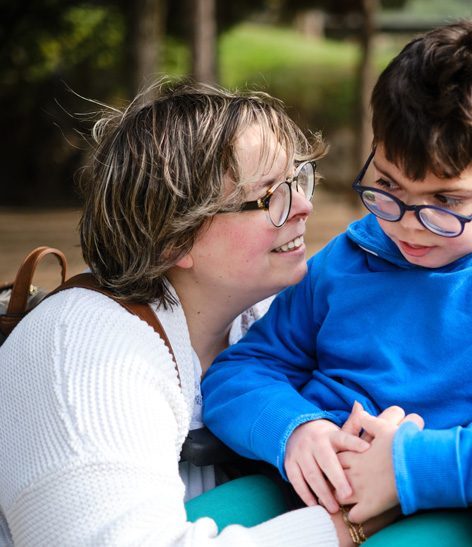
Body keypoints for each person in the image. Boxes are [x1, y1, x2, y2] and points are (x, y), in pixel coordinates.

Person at [202, 19, 472, 545]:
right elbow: (241, 370)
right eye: (387, 184)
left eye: (447, 201)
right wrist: (295, 428)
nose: (408, 221)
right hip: (320, 480)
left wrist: (409, 466)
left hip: (465, 507)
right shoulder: (348, 258)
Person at [0, 81, 404, 546]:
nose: (304, 207)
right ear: (175, 238)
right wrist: (347, 525)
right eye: (268, 195)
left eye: (297, 180)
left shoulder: (266, 314)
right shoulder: (85, 354)